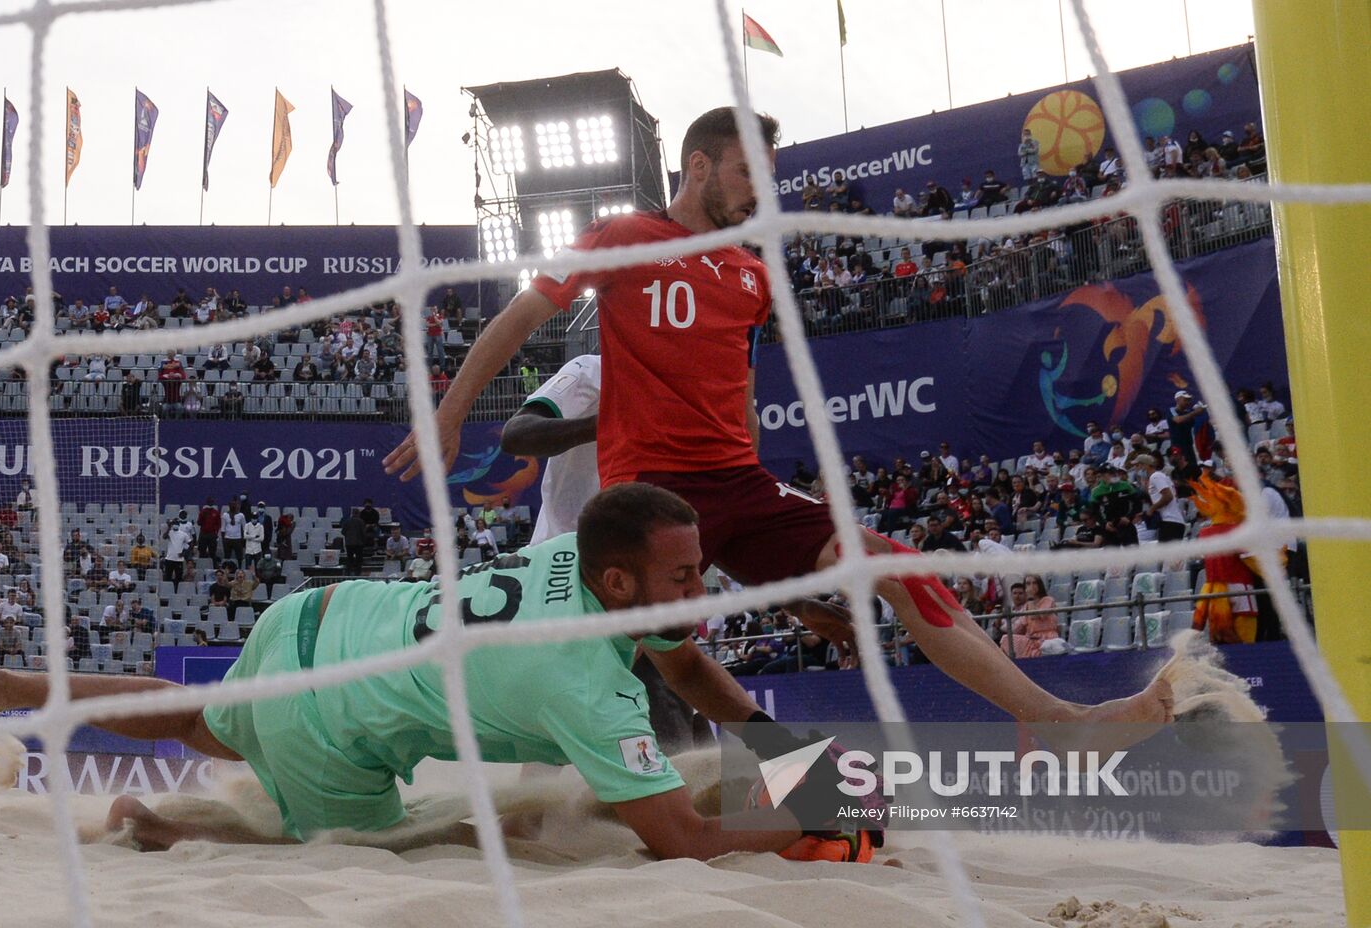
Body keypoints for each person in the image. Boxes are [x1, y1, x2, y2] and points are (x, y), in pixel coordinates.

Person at [386, 106, 1174, 739]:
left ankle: (1056, 719)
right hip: (648, 493)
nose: (761, 189)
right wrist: (448, 414)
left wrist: (789, 584)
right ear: (699, 167)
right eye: (745, 172)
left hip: (739, 483)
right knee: (658, 665)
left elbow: (742, 408)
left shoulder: (754, 272)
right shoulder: (622, 237)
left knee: (896, 566)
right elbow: (523, 317)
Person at [0, 485, 882, 863]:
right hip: (326, 727)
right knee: (396, 844)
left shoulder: (576, 550)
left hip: (325, 615)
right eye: (684, 577)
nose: (701, 590)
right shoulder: (584, 686)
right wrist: (811, 822)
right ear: (618, 582)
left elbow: (684, 666)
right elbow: (680, 841)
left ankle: (11, 689)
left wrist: (784, 758)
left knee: (196, 717)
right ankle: (159, 828)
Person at [500, 354, 601, 544]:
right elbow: (515, 435)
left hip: (636, 552)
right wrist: (603, 425)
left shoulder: (672, 388)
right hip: (562, 548)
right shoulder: (592, 370)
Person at [1000, 575, 1061, 659]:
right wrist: (1002, 622)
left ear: (1039, 585)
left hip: (1047, 639)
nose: (1031, 586)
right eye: (1028, 584)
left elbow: (1035, 615)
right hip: (1031, 639)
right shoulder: (1027, 606)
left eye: (1034, 583)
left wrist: (1030, 598)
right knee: (1006, 639)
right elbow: (1017, 628)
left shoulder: (1048, 600)